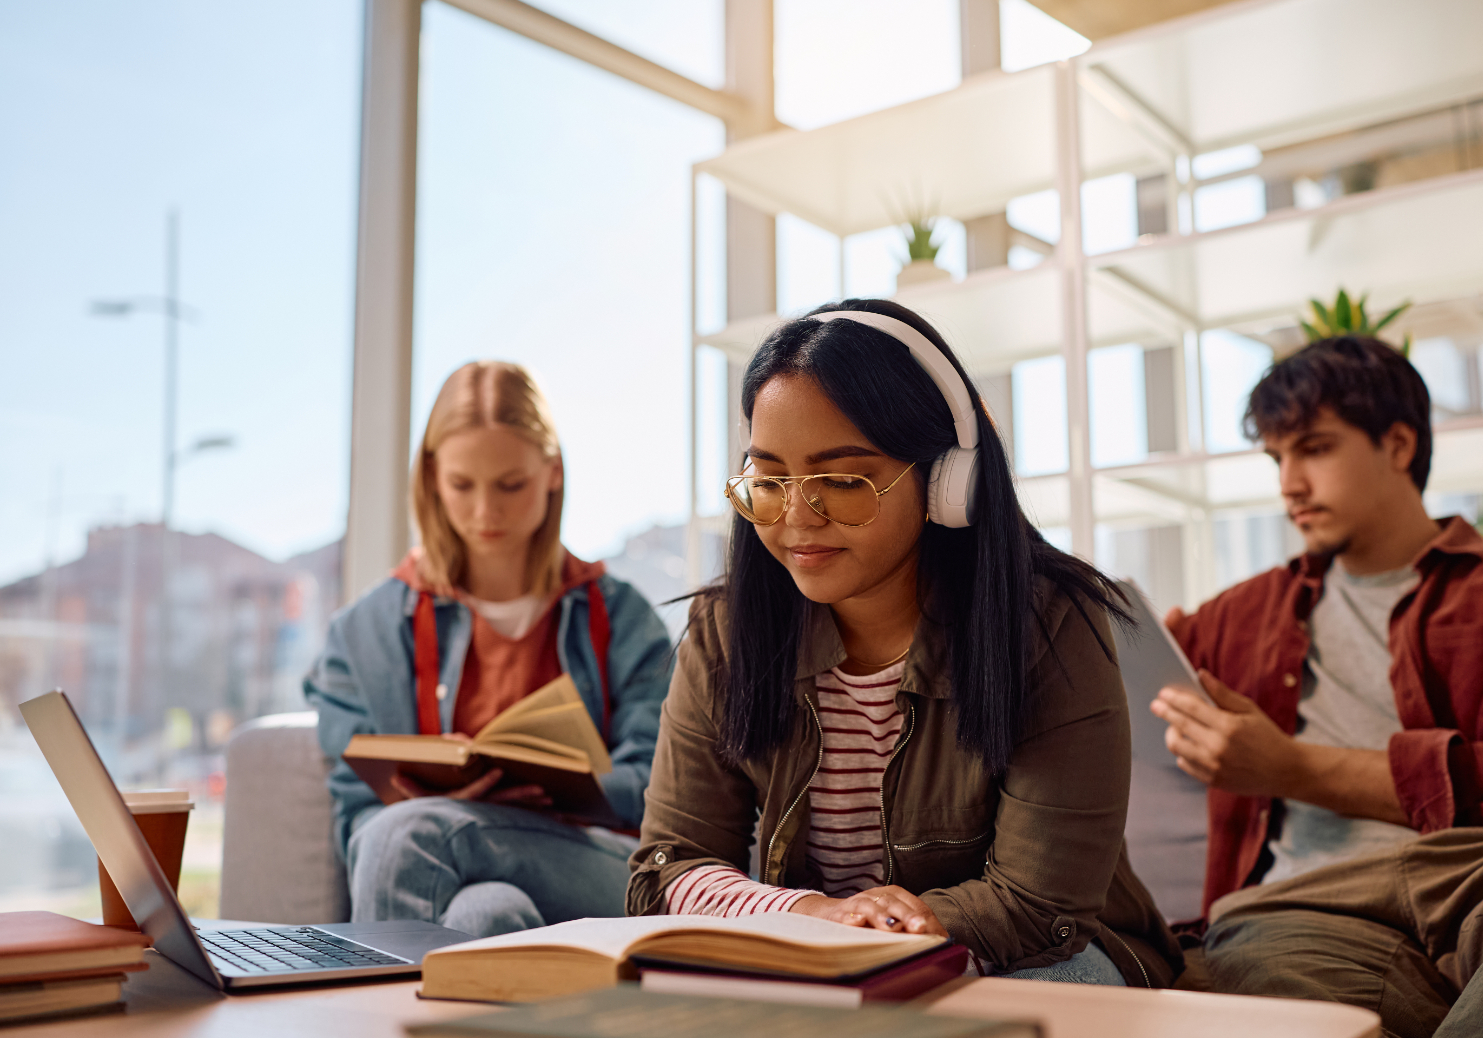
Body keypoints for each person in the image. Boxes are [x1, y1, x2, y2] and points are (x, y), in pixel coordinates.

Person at [625, 299, 1181, 987]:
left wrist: (873, 935)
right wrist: (812, 916)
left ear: (945, 482)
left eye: (841, 480)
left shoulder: (1051, 623)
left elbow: (1039, 906)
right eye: (769, 480)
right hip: (821, 953)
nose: (798, 517)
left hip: (1036, 955)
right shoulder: (725, 630)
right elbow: (669, 865)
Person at [1148, 335, 1483, 1038]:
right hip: (1311, 904)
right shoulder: (1240, 616)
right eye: (1276, 459)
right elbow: (1096, 679)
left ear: (1397, 444)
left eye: (1313, 448)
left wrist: (1289, 767)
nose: (1289, 484)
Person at [308, 361, 673, 938]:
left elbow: (665, 791)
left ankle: (366, 1023)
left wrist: (558, 787)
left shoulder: (621, 617)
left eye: (511, 484)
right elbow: (357, 817)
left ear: (552, 472)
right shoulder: (363, 633)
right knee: (487, 912)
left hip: (603, 868)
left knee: (404, 833)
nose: (486, 512)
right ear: (430, 476)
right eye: (462, 485)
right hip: (444, 872)